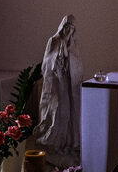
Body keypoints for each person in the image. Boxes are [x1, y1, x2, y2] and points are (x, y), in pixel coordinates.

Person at [36, 14, 81, 167]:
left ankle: (67, 143)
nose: (69, 31)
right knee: (55, 114)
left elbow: (76, 66)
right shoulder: (53, 41)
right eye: (67, 28)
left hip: (67, 87)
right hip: (56, 86)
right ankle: (53, 144)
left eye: (72, 29)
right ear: (62, 28)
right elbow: (47, 64)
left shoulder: (73, 45)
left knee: (67, 115)